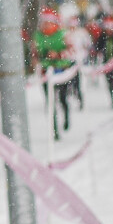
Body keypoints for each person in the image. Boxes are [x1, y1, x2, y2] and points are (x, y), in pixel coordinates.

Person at [34, 7, 74, 139]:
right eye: (44, 22)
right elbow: (34, 54)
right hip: (46, 73)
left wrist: (58, 55)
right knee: (50, 102)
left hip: (62, 71)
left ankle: (66, 117)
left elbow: (72, 52)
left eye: (49, 22)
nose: (46, 25)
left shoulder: (63, 34)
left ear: (55, 23)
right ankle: (55, 129)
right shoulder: (38, 36)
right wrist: (38, 58)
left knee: (62, 99)